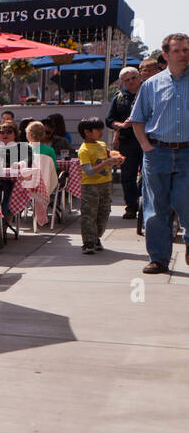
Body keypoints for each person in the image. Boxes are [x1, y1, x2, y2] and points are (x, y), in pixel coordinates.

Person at [129, 32, 189, 274]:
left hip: (187, 154)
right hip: (157, 154)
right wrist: (146, 147)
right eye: (178, 51)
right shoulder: (152, 85)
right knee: (155, 208)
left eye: (186, 50)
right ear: (166, 55)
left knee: (187, 204)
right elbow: (137, 120)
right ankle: (158, 258)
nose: (184, 54)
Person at [76, 116, 121, 255]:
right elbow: (88, 171)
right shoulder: (84, 150)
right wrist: (107, 163)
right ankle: (88, 242)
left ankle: (96, 237)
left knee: (104, 212)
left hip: (106, 184)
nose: (101, 131)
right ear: (87, 132)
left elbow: (108, 158)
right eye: (98, 129)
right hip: (90, 186)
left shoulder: (102, 145)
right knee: (89, 214)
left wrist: (116, 160)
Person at [106, 66, 145, 219]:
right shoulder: (119, 97)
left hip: (148, 138)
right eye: (126, 80)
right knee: (127, 176)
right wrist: (121, 125)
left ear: (139, 77)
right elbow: (109, 120)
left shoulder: (149, 92)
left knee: (147, 174)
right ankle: (131, 206)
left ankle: (144, 204)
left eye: (133, 78)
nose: (130, 82)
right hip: (127, 140)